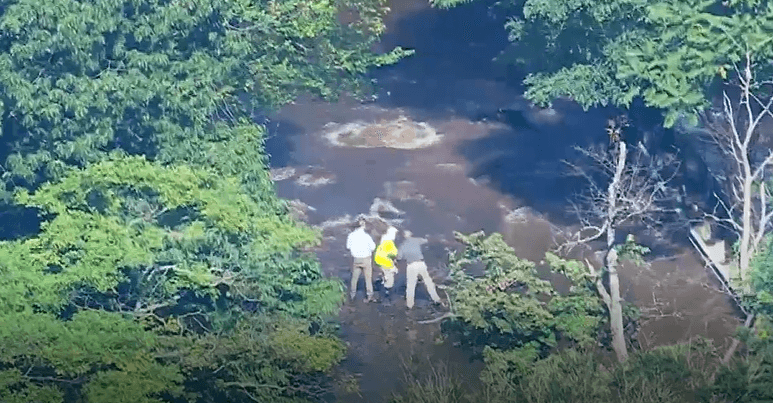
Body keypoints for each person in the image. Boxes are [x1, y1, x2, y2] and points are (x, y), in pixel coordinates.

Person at [397, 229, 443, 309]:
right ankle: (436, 299)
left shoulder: (402, 245)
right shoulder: (417, 240)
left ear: (403, 236)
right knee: (428, 282)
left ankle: (409, 305)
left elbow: (399, 257)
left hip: (411, 265)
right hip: (421, 264)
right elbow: (427, 241)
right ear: (411, 234)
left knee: (411, 285)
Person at [346, 218, 377, 302]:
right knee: (368, 278)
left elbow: (348, 247)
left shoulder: (351, 235)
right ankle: (369, 295)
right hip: (366, 258)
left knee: (354, 278)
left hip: (356, 259)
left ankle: (352, 295)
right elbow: (373, 247)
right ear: (363, 226)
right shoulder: (367, 236)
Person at [374, 226, 399, 304]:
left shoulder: (382, 240)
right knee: (390, 280)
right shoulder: (389, 242)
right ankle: (386, 296)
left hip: (378, 261)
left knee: (385, 276)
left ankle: (380, 288)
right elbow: (394, 253)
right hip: (386, 262)